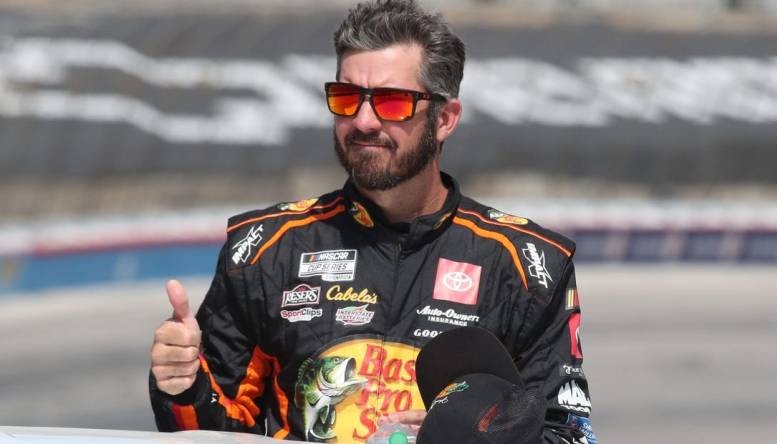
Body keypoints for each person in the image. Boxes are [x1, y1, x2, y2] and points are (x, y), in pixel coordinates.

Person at [149, 1, 595, 442]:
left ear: (444, 119)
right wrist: (183, 385)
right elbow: (218, 434)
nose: (363, 121)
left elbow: (569, 435)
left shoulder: (528, 266)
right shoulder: (265, 250)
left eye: (391, 102)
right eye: (347, 98)